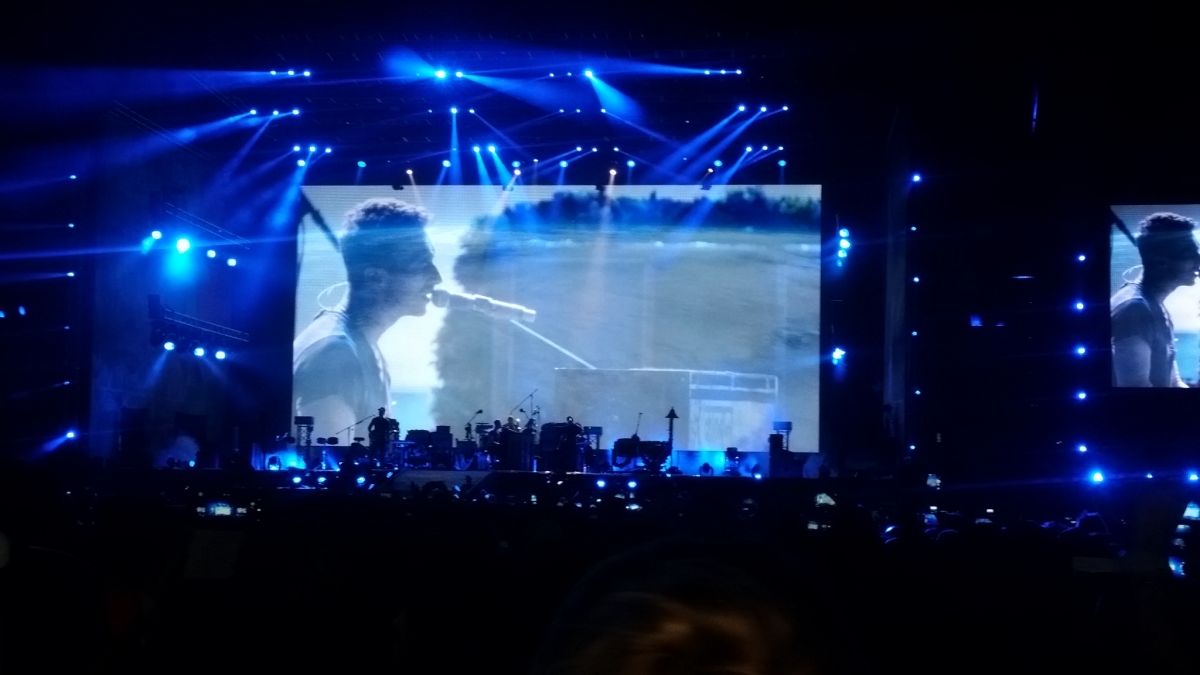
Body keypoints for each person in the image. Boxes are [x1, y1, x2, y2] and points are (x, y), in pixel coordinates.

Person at [293, 198, 443, 439]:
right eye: (421, 265)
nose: (436, 277)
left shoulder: (358, 345)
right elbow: (328, 458)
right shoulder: (334, 356)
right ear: (375, 277)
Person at [1111, 212, 1200, 387]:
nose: (1199, 261)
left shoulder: (1155, 305)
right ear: (1160, 262)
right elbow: (1137, 395)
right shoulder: (1134, 310)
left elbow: (1174, 382)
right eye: (1189, 254)